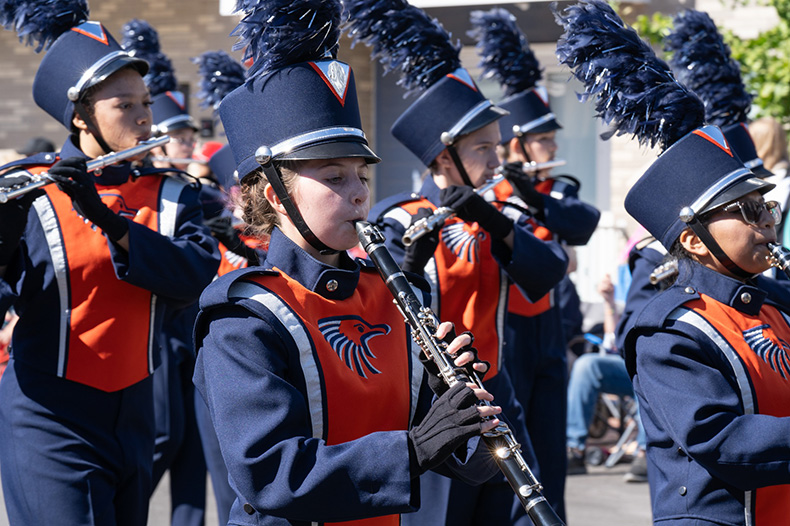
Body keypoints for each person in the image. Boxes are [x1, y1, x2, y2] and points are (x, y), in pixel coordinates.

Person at [192, 0, 502, 523]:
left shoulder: (393, 294)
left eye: (361, 175)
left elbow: (468, 466)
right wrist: (415, 447)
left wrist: (462, 412)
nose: (359, 193)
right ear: (274, 193)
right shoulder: (244, 317)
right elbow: (268, 472)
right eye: (334, 178)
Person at [557, 1, 790, 523]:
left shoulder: (776, 302)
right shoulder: (669, 331)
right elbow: (723, 440)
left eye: (766, 207)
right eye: (747, 211)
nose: (765, 222)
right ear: (694, 239)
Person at [346, 1, 569, 524]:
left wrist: (495, 222)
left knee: (524, 514)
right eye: (483, 150)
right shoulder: (395, 216)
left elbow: (549, 272)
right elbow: (378, 308)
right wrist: (408, 257)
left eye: (496, 148)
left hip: (499, 389)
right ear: (445, 158)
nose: (498, 160)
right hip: (435, 404)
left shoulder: (500, 211)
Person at [0, 3, 220, 524]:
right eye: (125, 106)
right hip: (49, 417)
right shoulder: (31, 191)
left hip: (136, 413)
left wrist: (112, 222)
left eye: (146, 103)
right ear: (80, 117)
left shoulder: (174, 196)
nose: (147, 117)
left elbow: (191, 276)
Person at [468, 9, 601, 517]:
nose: (553, 148)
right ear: (518, 145)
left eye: (551, 139)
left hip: (547, 322)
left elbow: (582, 225)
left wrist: (537, 199)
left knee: (549, 445)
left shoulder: (553, 191)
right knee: (513, 449)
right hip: (507, 330)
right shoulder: (489, 194)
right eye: (543, 140)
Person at [565, 275, 647, 483]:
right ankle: (575, 449)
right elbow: (612, 341)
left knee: (647, 370)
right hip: (625, 364)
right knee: (586, 365)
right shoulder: (634, 283)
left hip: (650, 365)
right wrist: (609, 300)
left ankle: (646, 452)